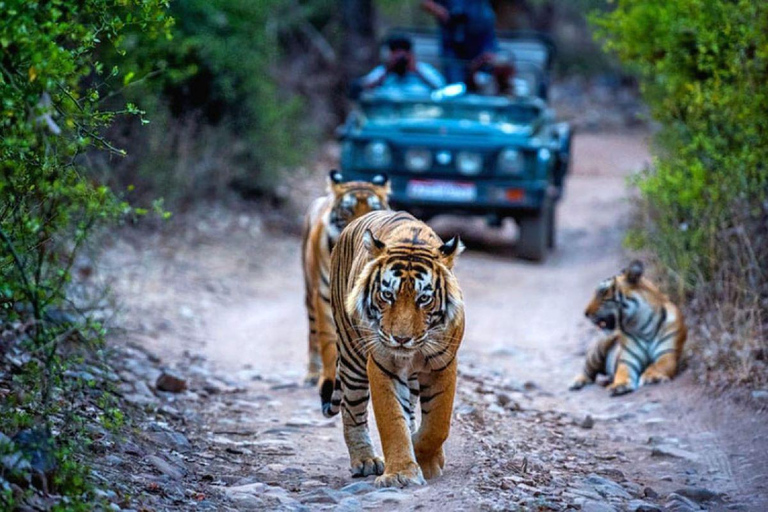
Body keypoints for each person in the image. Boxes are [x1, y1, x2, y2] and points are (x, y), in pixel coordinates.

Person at [421, 0, 498, 86]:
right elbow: (426, 3)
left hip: (481, 42)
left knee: (484, 81)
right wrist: (445, 14)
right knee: (456, 85)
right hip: (453, 44)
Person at [359, 35, 445, 93]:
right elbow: (364, 88)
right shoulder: (382, 71)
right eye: (395, 53)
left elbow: (441, 89)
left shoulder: (423, 69)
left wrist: (417, 71)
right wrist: (387, 71)